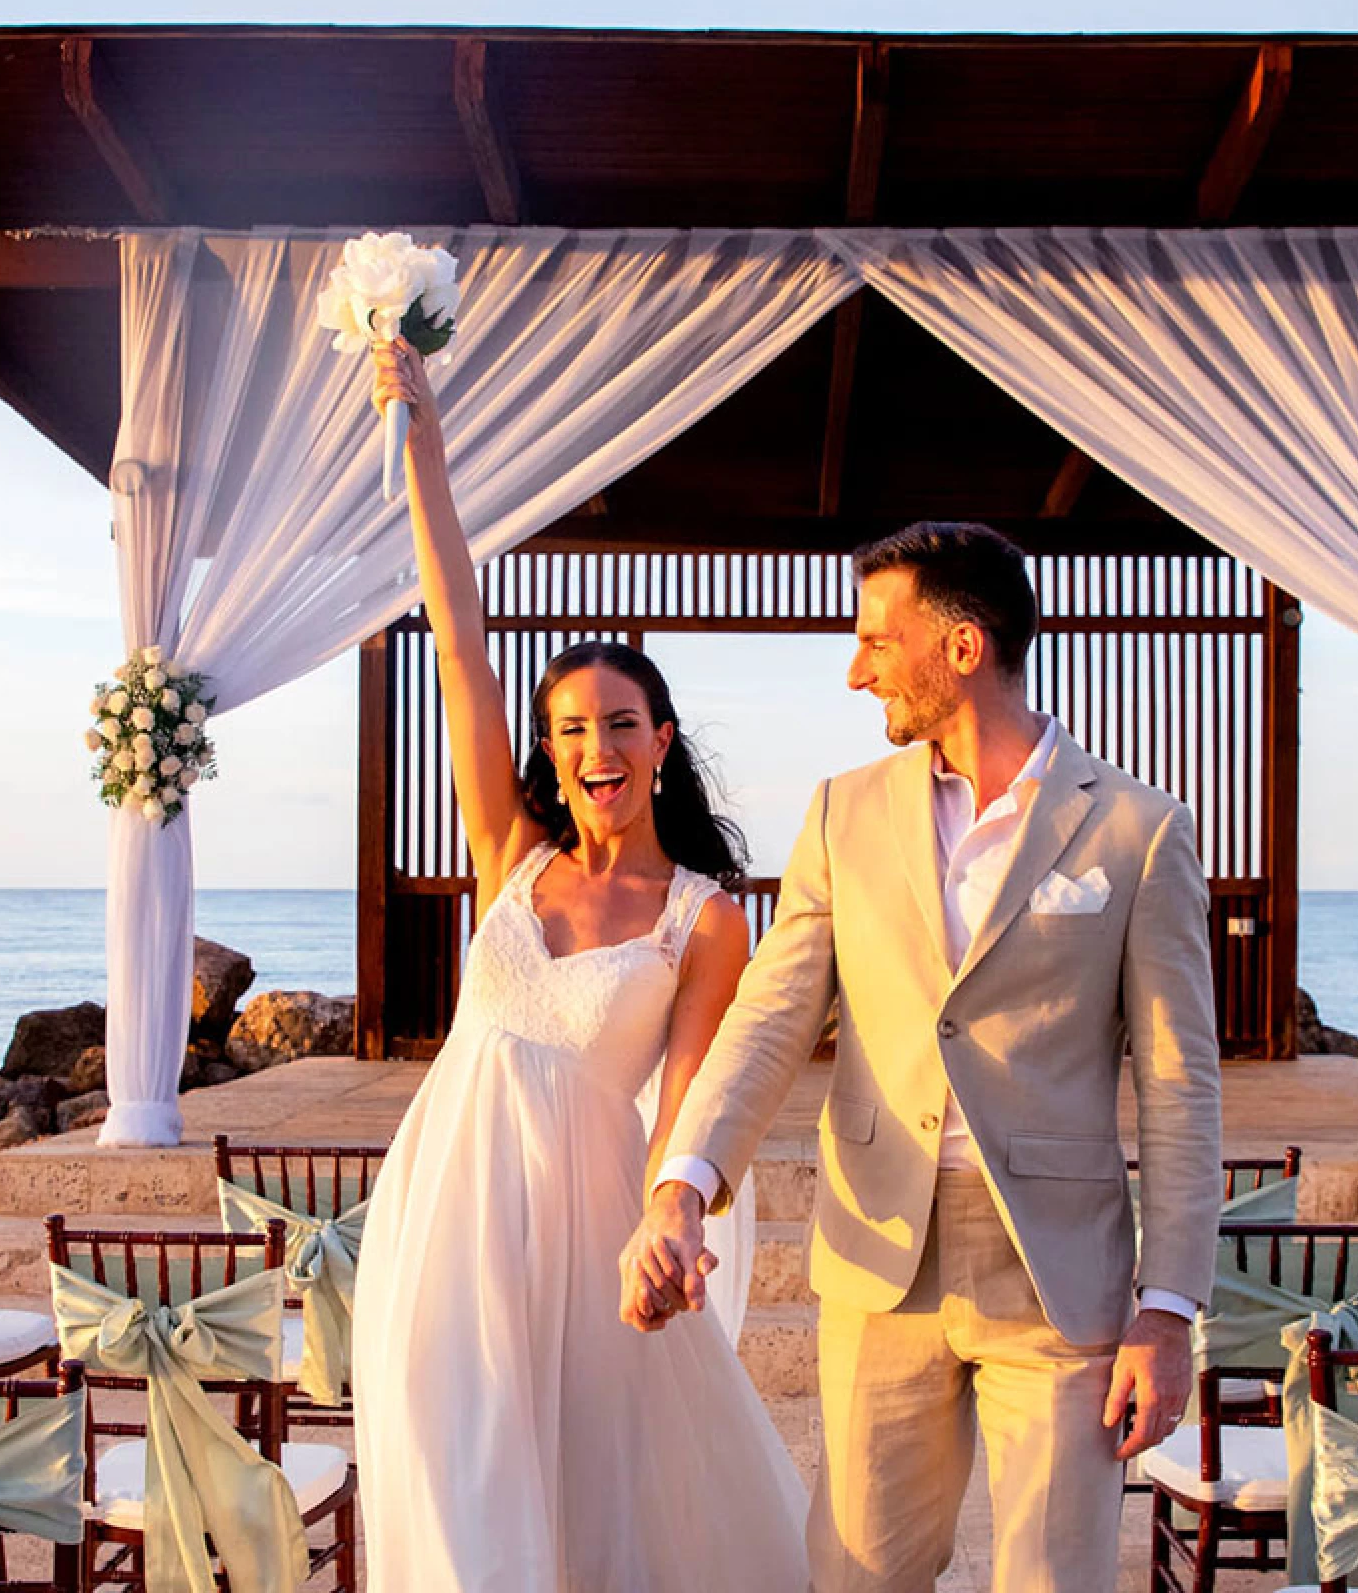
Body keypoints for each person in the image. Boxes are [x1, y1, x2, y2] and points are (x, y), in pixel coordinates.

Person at [622, 521, 1224, 1593]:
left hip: (1059, 1279)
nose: (855, 671)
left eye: (873, 641)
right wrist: (681, 1184)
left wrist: (1168, 1307)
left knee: (1055, 1579)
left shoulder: (1137, 828)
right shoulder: (841, 813)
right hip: (875, 1257)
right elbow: (768, 1018)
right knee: (858, 1575)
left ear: (960, 647)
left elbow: (1178, 1085)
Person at [351, 339, 807, 1591]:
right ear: (544, 755)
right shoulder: (506, 850)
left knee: (597, 1495)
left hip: (587, 1220)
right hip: (447, 1202)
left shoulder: (706, 917)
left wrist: (678, 1218)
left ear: (659, 740)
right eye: (567, 730)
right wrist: (422, 441)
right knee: (454, 1470)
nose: (592, 746)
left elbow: (702, 1095)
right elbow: (459, 642)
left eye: (617, 723)